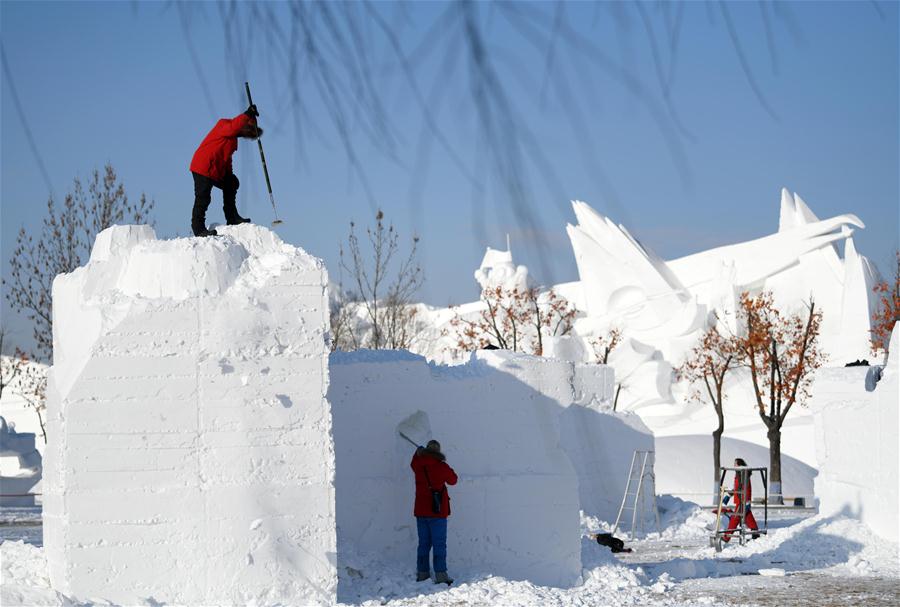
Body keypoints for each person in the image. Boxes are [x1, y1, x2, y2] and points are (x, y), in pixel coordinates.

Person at [189, 104, 263, 237]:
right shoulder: (224, 125)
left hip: (214, 170)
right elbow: (233, 126)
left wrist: (229, 176)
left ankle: (232, 217)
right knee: (203, 198)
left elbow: (226, 159)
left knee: (232, 182)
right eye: (248, 130)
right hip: (202, 167)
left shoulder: (233, 139)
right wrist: (247, 114)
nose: (246, 135)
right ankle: (198, 228)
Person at [411, 439, 458, 585]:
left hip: (421, 512)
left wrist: (417, 453)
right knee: (439, 544)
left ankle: (423, 573)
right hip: (437, 512)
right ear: (438, 452)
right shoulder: (441, 466)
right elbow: (453, 480)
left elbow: (413, 463)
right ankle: (441, 575)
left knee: (423, 543)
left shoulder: (418, 465)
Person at [723, 457, 760, 542]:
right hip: (740, 499)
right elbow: (737, 488)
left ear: (739, 465)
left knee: (734, 518)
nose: (734, 465)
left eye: (735, 463)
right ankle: (755, 532)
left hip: (742, 500)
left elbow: (745, 488)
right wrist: (729, 495)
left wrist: (746, 501)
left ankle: (726, 537)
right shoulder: (739, 473)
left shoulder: (743, 473)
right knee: (747, 516)